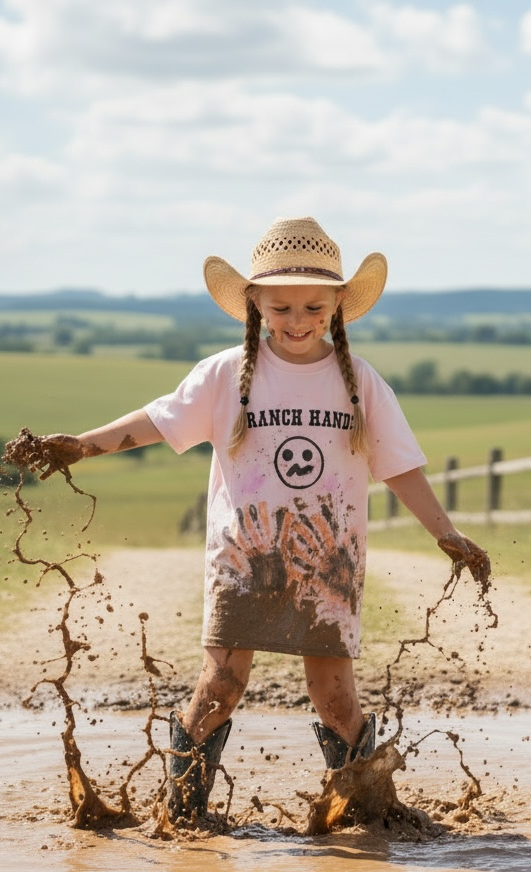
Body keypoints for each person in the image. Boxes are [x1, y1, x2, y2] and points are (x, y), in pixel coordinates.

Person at [26, 217, 490, 823]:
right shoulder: (224, 375)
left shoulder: (361, 383)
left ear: (337, 306)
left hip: (328, 565)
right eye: (281, 308)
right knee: (220, 688)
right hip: (243, 559)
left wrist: (446, 533)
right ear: (255, 305)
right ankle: (183, 816)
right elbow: (157, 421)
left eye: (313, 307)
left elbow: (400, 468)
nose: (297, 321)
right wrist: (83, 446)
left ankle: (362, 819)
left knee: (335, 700)